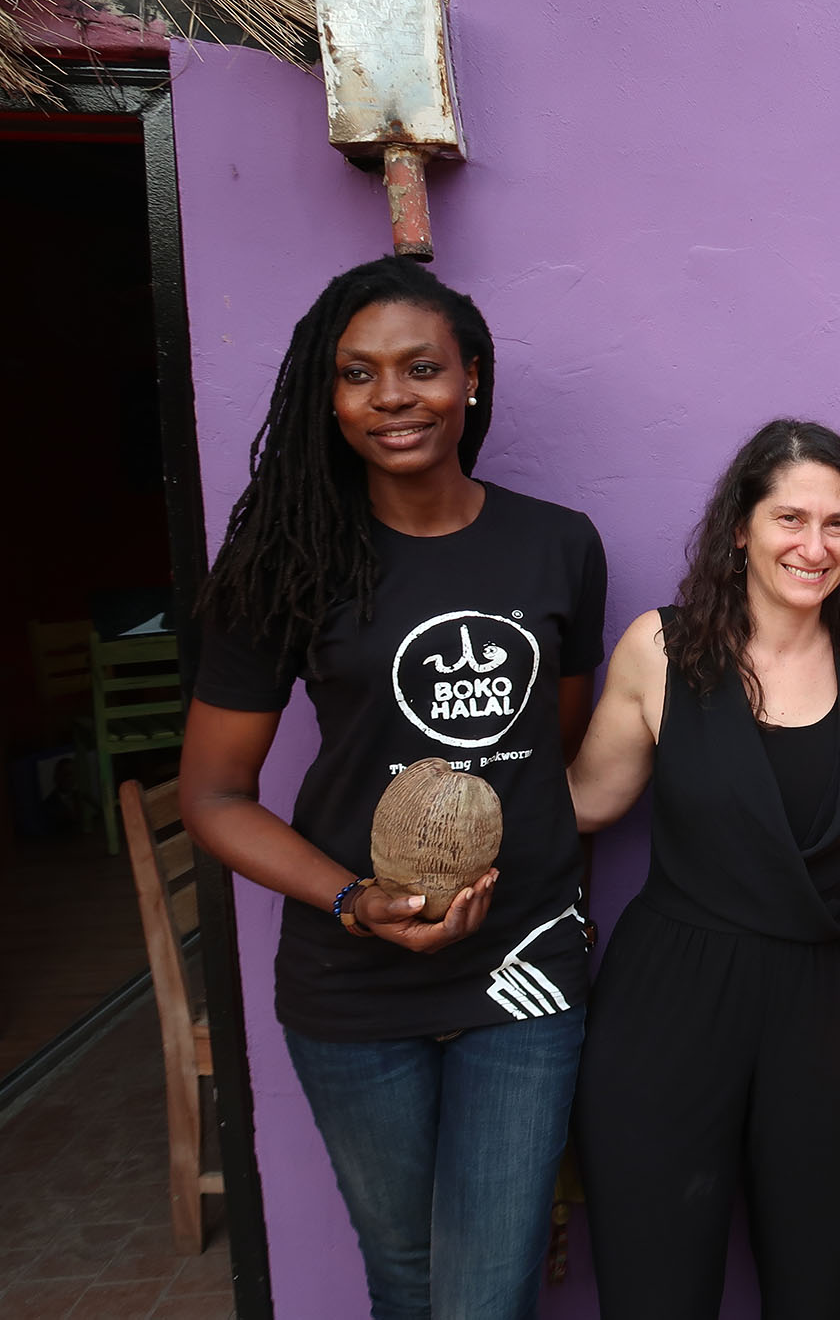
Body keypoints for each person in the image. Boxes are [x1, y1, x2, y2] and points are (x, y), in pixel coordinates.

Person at [181, 256, 607, 1320]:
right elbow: (215, 796)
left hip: (522, 968)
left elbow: (548, 750)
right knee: (406, 1274)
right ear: (327, 398)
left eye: (421, 367)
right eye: (357, 373)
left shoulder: (557, 545)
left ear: (471, 377)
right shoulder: (287, 560)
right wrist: (351, 899)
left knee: (488, 1288)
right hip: (352, 983)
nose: (392, 397)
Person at [569, 420, 840, 1319]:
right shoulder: (661, 649)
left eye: (837, 524)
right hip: (670, 1001)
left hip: (822, 1009)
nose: (814, 545)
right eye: (790, 517)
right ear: (741, 528)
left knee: (820, 1286)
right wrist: (461, 794)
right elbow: (587, 801)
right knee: (656, 1287)